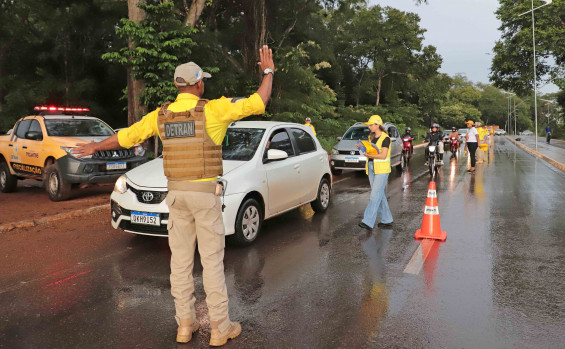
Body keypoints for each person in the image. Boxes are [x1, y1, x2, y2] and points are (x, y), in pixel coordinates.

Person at [71, 45, 275, 346]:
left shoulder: (161, 115)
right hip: (205, 197)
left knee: (179, 264)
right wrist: (268, 72)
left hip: (176, 197)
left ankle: (185, 325)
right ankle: (219, 328)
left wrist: (94, 147)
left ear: (178, 86)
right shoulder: (213, 109)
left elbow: (128, 136)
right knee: (212, 263)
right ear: (199, 83)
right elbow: (258, 102)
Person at [357, 115, 394, 231]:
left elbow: (383, 156)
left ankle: (367, 221)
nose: (369, 127)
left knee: (374, 195)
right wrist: (361, 148)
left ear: (378, 125)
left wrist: (369, 155)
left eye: (371, 125)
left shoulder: (385, 138)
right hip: (372, 167)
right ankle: (387, 219)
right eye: (369, 125)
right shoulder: (371, 137)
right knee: (379, 194)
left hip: (382, 170)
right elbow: (369, 150)